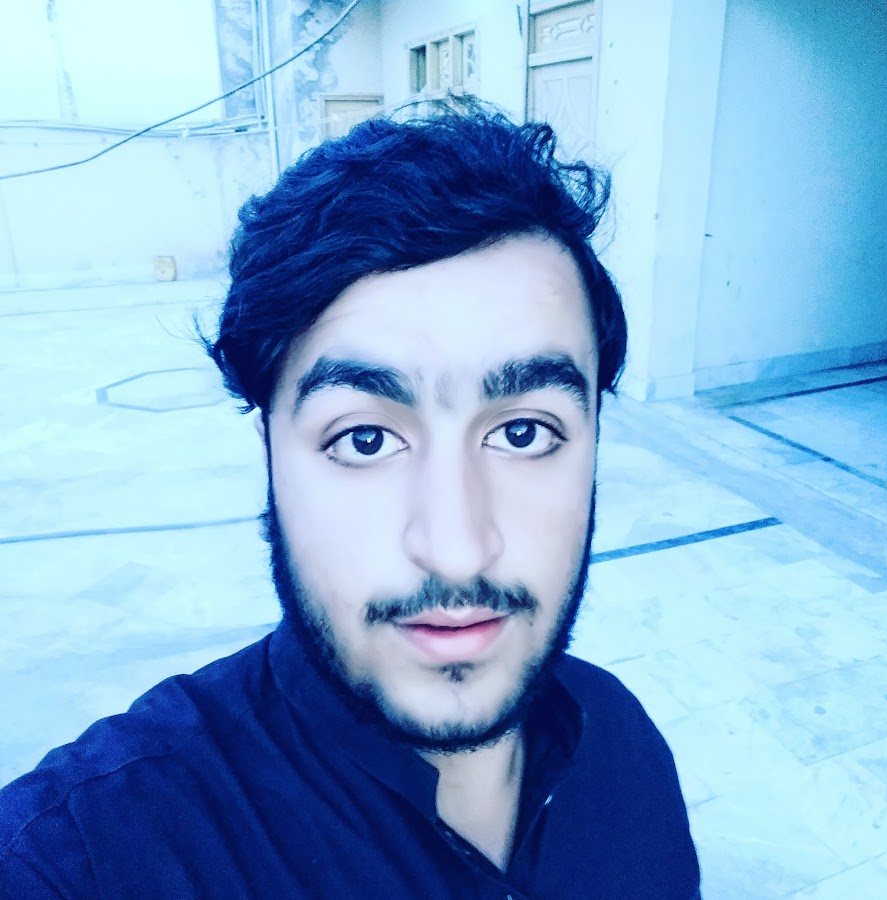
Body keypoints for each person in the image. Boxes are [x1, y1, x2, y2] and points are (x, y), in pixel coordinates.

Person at [0, 100, 701, 898]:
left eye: (523, 432)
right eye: (364, 439)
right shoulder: (84, 856)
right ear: (268, 453)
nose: (456, 548)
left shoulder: (624, 745)